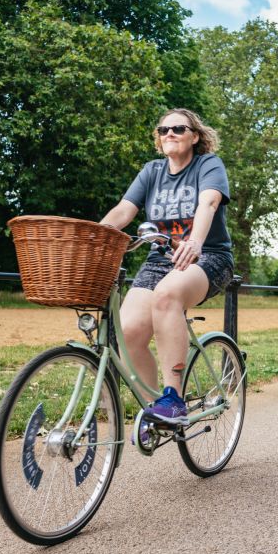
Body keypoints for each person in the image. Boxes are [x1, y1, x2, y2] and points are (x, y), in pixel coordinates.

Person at [100, 108, 234, 438]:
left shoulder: (207, 165)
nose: (169, 134)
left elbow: (209, 203)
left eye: (178, 128)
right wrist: (94, 237)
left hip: (208, 258)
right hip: (160, 261)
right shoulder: (151, 172)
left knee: (167, 294)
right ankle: (156, 412)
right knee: (127, 332)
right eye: (163, 130)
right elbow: (123, 211)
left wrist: (196, 242)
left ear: (195, 136)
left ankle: (173, 398)